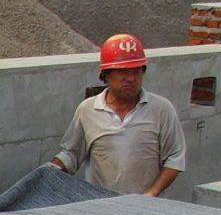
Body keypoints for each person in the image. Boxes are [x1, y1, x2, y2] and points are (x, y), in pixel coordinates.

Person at [50, 33, 185, 196]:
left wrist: (151, 194)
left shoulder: (161, 109)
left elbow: (175, 158)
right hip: (100, 207)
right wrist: (50, 170)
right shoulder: (88, 110)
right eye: (123, 72)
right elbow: (71, 154)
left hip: (145, 210)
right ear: (106, 75)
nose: (130, 78)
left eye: (136, 72)